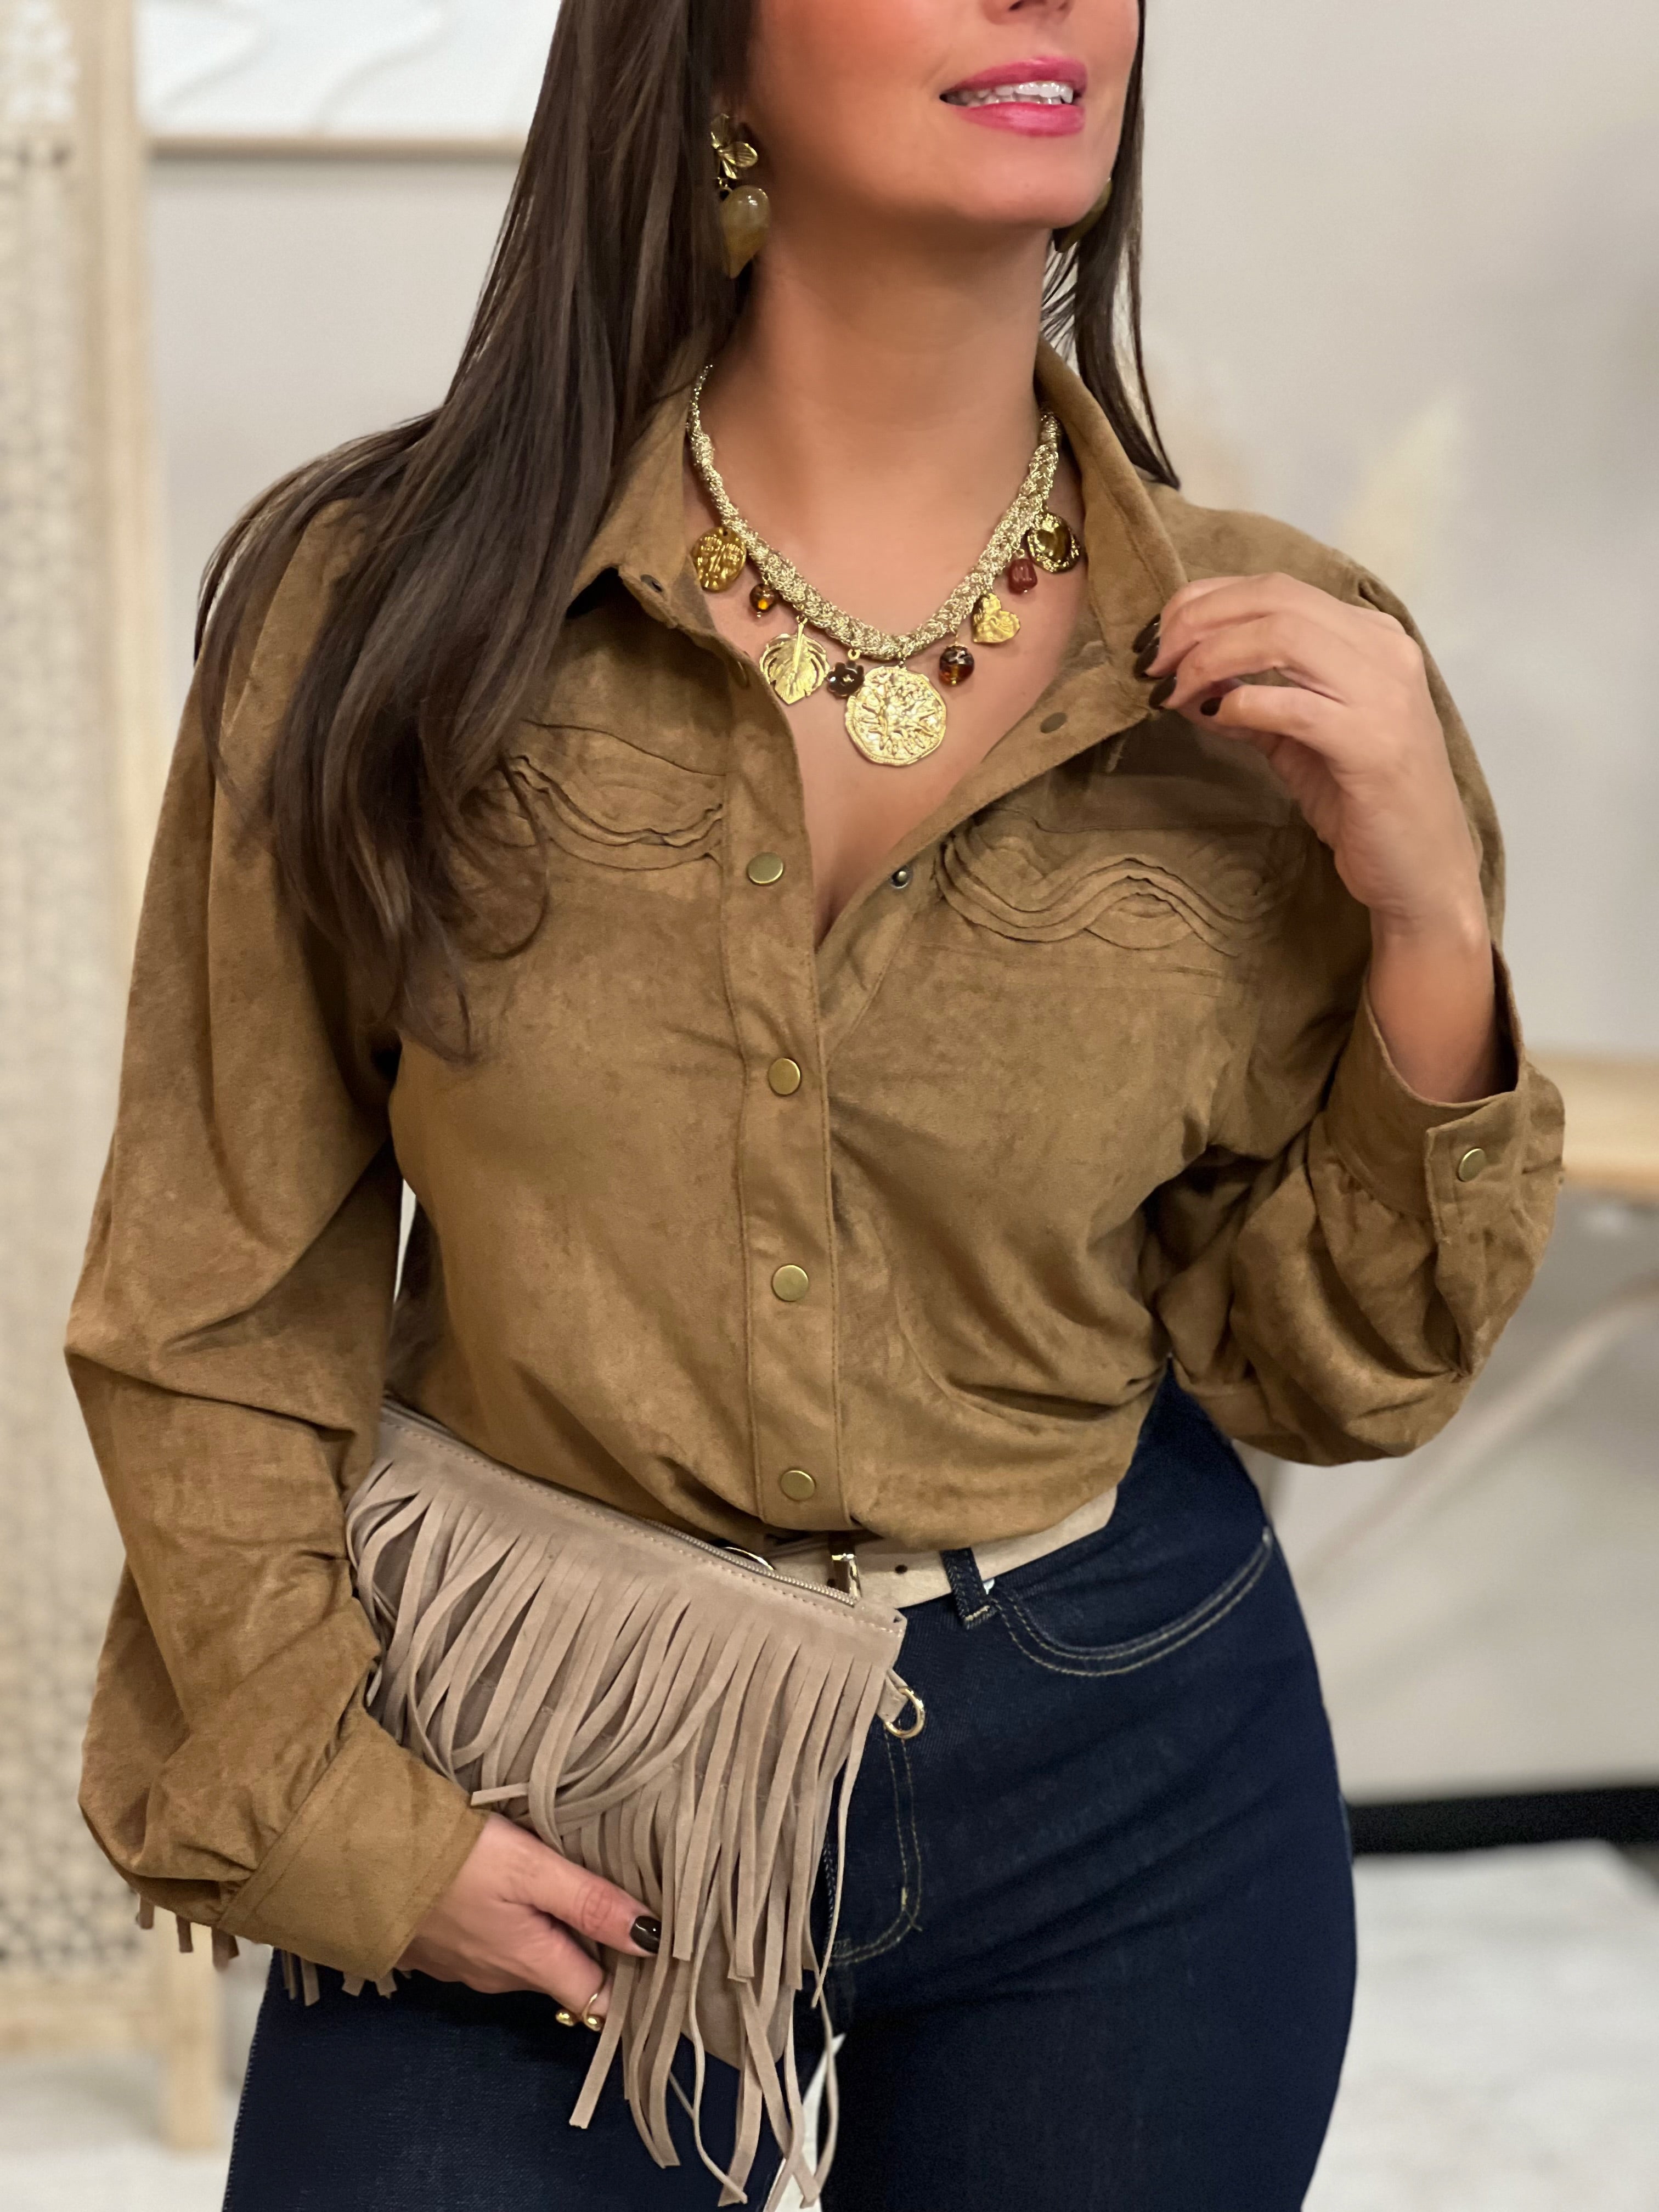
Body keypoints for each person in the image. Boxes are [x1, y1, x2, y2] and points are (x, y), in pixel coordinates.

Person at [67, 2, 1564, 2206]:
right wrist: (347, 1821)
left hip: (1128, 1781)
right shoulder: (389, 607)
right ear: (710, 50)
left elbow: (1334, 1369)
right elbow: (211, 1301)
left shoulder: (1285, 666)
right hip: (539, 1754)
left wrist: (1432, 918)